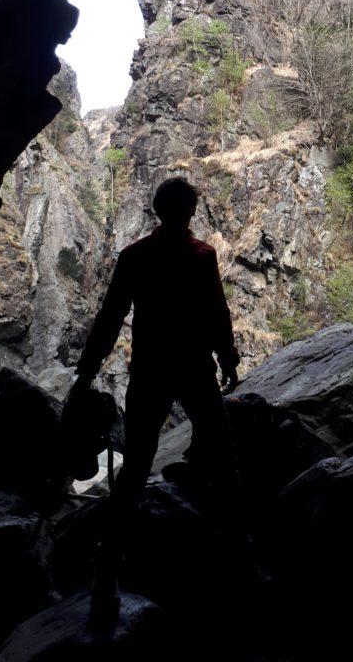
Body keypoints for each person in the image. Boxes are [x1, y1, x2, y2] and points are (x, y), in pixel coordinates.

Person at [68, 176, 242, 613]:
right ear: (189, 212)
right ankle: (238, 558)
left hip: (149, 372)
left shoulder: (136, 257)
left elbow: (110, 319)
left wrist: (86, 372)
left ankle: (106, 574)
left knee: (134, 472)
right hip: (195, 369)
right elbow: (217, 314)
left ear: (157, 210)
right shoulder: (202, 257)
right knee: (223, 456)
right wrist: (229, 359)